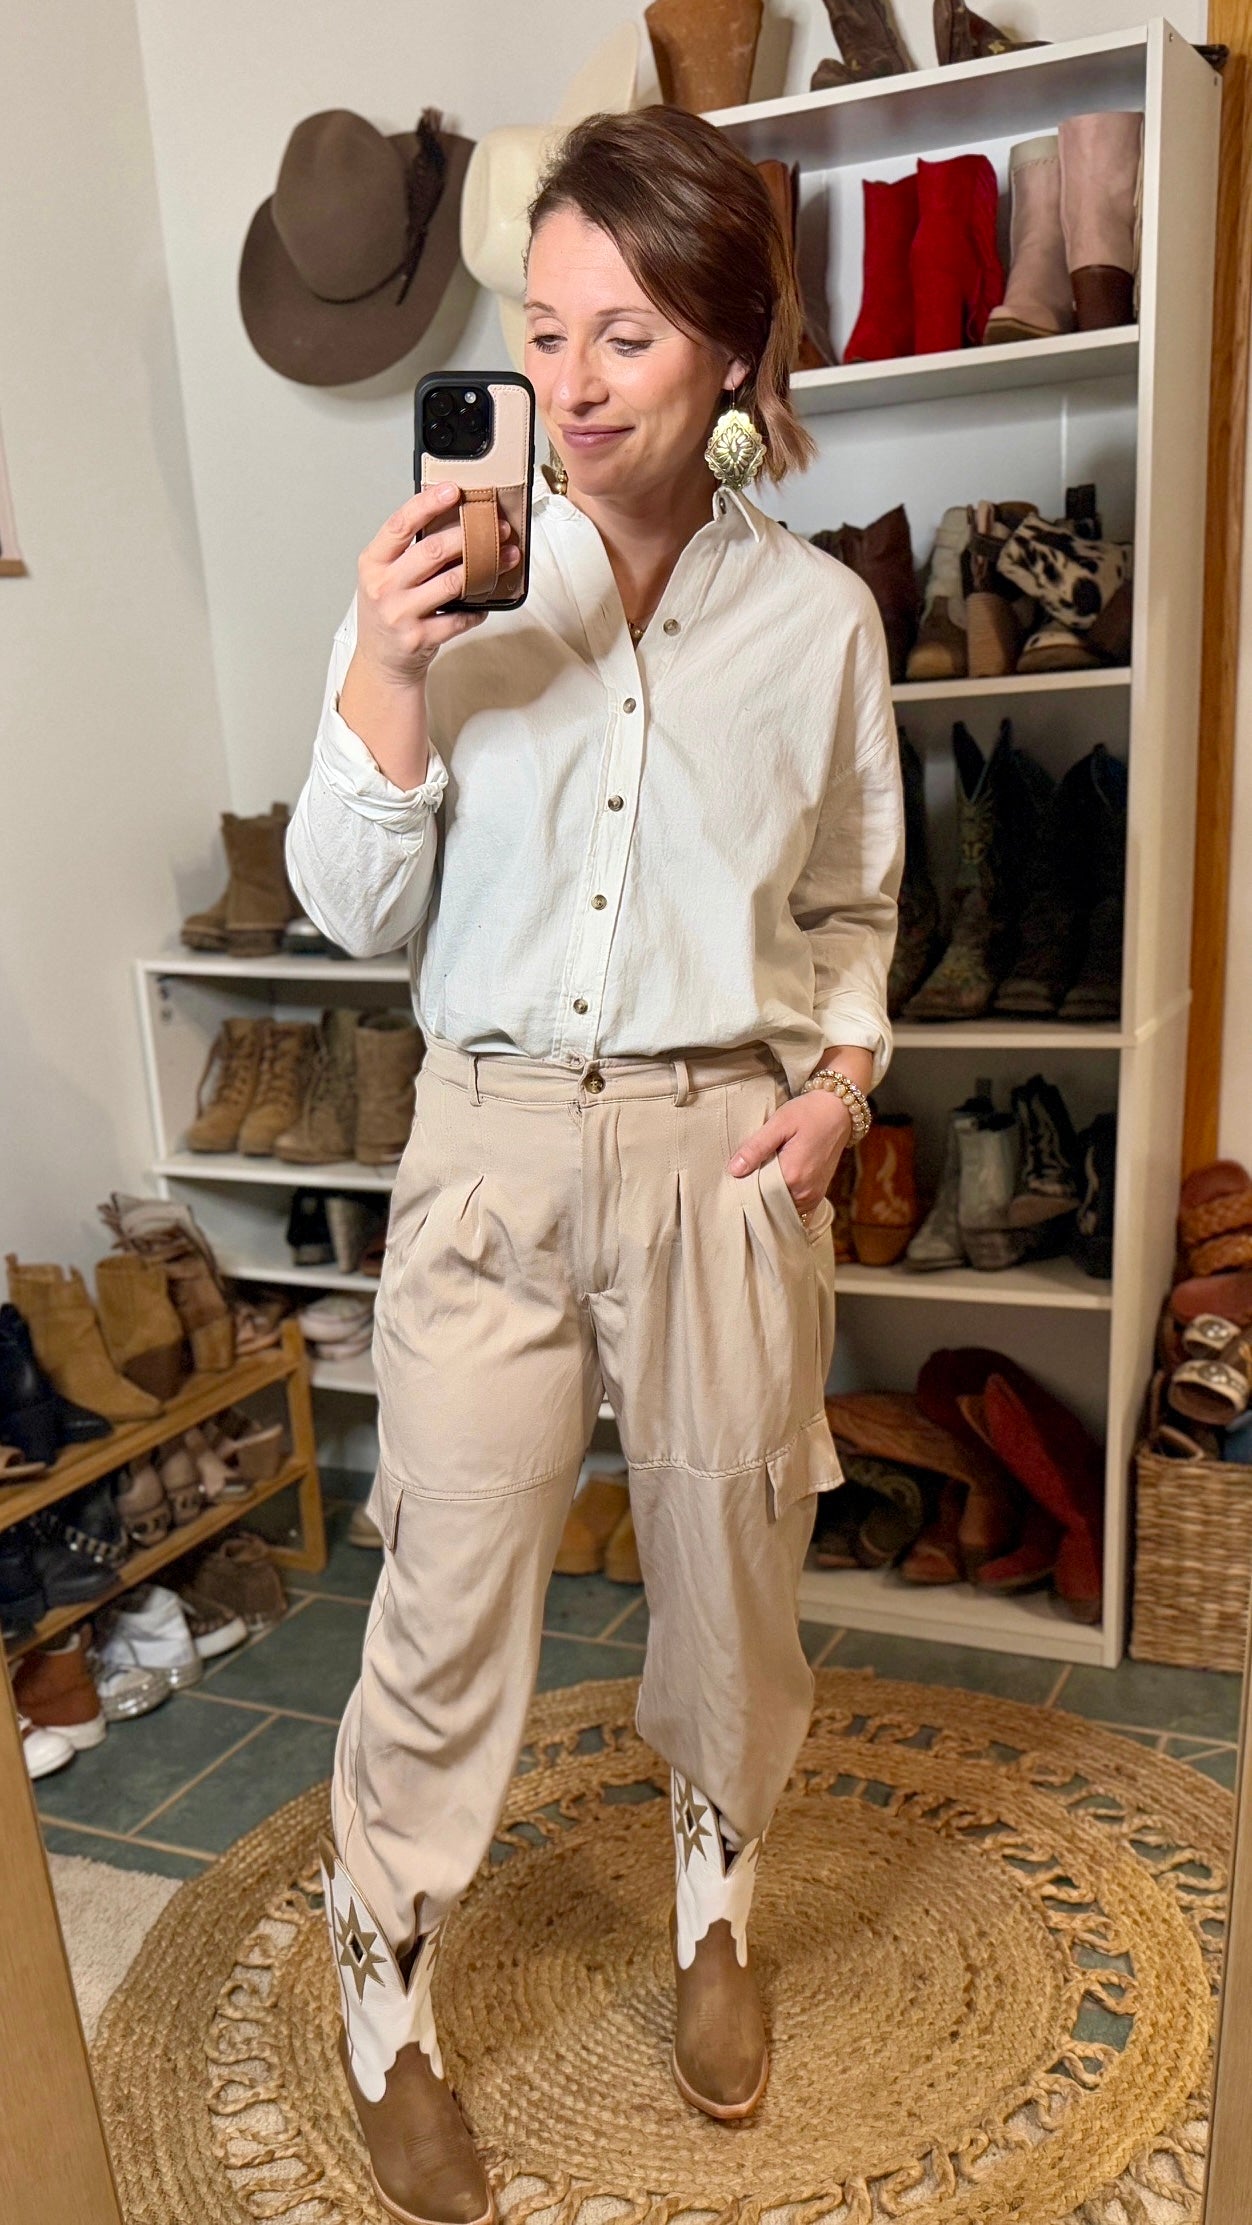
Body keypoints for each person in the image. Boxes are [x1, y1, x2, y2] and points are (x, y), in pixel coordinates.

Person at [287, 102, 903, 2225]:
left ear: (732, 348)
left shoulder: (816, 622)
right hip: (482, 1152)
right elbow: (351, 911)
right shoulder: (454, 589)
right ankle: (385, 1983)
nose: (565, 379)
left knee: (729, 1572)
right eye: (540, 331)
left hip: (714, 1152)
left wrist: (834, 1090)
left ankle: (713, 1901)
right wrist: (382, 666)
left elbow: (852, 908)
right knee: (446, 1596)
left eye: (622, 332)